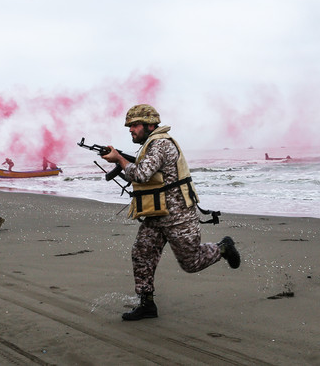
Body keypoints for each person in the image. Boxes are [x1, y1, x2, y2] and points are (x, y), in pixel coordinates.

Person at [102, 104, 240, 321]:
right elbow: (142, 174)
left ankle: (223, 248)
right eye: (129, 126)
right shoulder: (151, 145)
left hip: (178, 215)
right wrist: (120, 159)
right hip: (156, 214)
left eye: (135, 125)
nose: (130, 129)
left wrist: (119, 159)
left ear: (150, 125)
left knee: (191, 263)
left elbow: (141, 174)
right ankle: (147, 304)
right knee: (142, 254)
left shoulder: (161, 145)